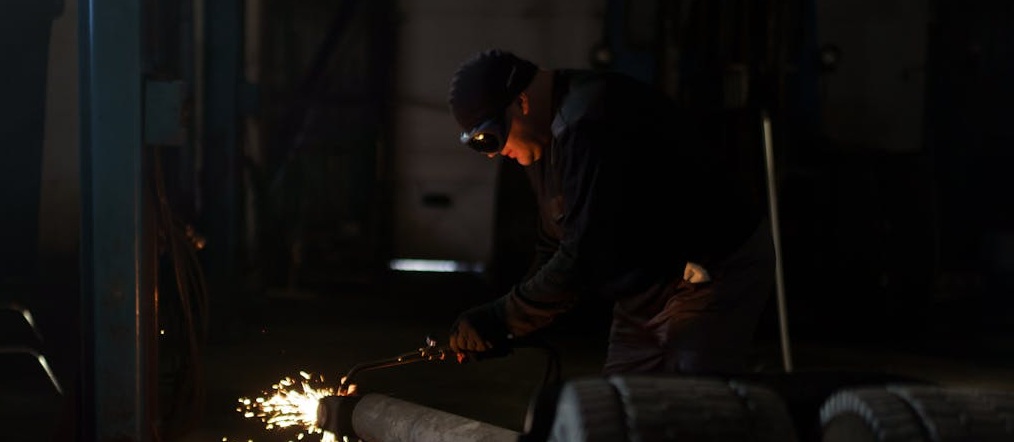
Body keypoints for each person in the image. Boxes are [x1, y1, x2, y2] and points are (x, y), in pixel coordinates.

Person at [445, 48, 775, 375]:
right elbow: (554, 244)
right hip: (649, 281)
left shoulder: (590, 121)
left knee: (685, 395)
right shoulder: (541, 138)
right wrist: (508, 323)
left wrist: (502, 316)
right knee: (623, 394)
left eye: (490, 138)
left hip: (710, 267)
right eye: (478, 144)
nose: (492, 153)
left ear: (521, 102)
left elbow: (583, 256)